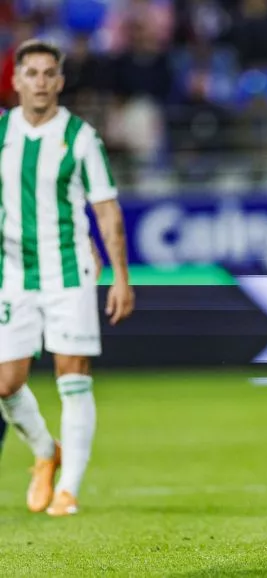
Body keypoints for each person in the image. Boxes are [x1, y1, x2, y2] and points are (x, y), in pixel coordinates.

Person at [0, 39, 134, 516]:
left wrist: (120, 275)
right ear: (15, 80)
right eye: (30, 73)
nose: (39, 81)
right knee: (5, 384)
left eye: (47, 73)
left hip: (69, 272)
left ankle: (69, 488)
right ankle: (45, 450)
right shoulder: (1, 133)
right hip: (13, 273)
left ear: (59, 81)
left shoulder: (80, 137)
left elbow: (106, 208)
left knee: (72, 377)